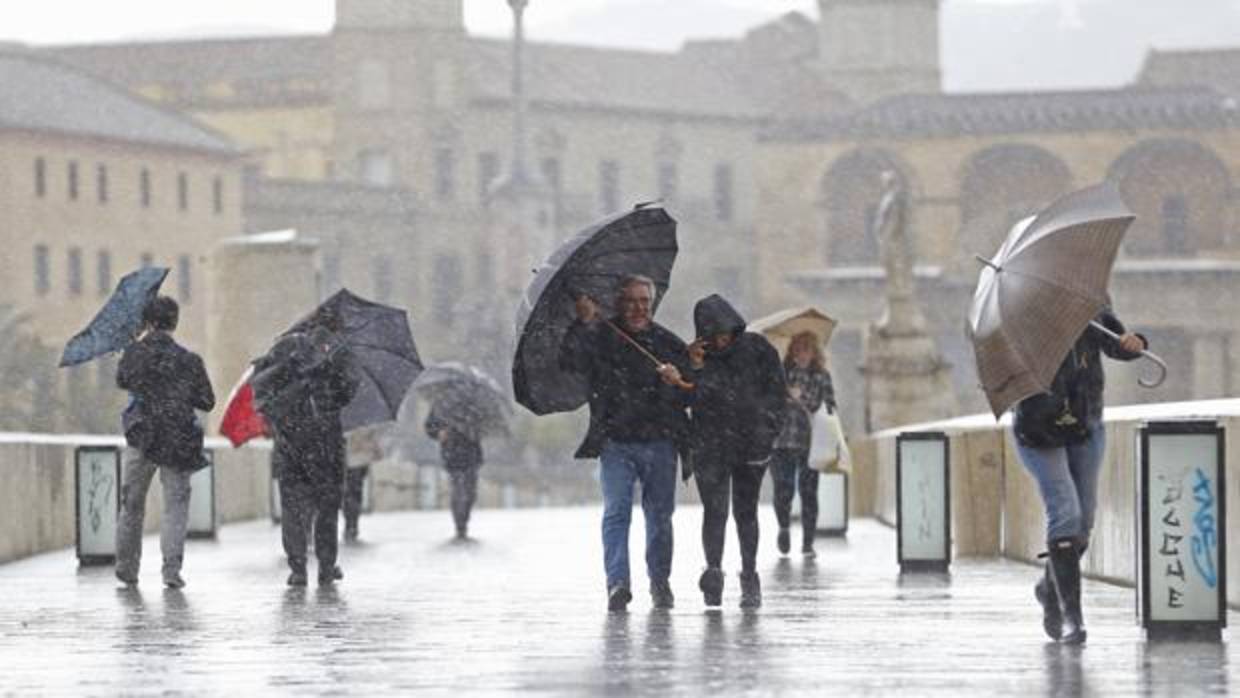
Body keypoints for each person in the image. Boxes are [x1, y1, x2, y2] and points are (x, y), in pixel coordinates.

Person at [1013, 309, 1147, 644]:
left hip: (1085, 425)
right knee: (1065, 512)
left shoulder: (1088, 305)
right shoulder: (1018, 315)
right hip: (1038, 429)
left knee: (1084, 520)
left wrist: (1135, 343)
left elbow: (1116, 344)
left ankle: (1049, 586)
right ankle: (1072, 615)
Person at [559, 275, 691, 612]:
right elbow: (570, 361)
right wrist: (584, 323)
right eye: (631, 301)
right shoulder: (600, 335)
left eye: (644, 301)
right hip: (616, 442)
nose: (638, 308)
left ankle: (660, 581)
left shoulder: (665, 341)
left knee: (660, 516)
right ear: (619, 303)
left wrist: (676, 380)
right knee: (617, 512)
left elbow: (693, 384)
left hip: (661, 441)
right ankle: (617, 583)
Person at [683, 294, 786, 609]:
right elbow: (689, 401)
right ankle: (713, 571)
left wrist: (767, 430)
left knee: (746, 512)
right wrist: (696, 369)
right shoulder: (696, 358)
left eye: (725, 333)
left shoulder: (757, 349)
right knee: (715, 513)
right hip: (710, 447)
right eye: (713, 335)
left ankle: (749, 575)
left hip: (751, 446)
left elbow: (776, 393)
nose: (721, 340)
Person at [115, 295, 215, 589]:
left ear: (147, 321)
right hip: (178, 438)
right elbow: (207, 401)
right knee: (175, 506)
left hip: (142, 436)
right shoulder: (189, 360)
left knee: (132, 504)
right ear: (175, 322)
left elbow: (123, 381)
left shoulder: (134, 353)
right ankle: (171, 569)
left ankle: (127, 567)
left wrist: (134, 347)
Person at [253, 317, 359, 587]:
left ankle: (297, 567)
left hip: (290, 441)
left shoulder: (284, 350)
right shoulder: (335, 353)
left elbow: (264, 392)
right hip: (326, 441)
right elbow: (347, 392)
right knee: (327, 505)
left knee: (292, 506)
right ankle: (326, 565)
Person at [769, 331, 836, 558]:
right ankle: (784, 527)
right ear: (792, 351)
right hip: (781, 441)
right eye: (798, 349)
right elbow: (768, 403)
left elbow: (830, 408)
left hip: (810, 442)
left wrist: (802, 398)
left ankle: (808, 543)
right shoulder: (781, 373)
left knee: (809, 493)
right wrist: (783, 397)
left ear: (814, 352)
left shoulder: (821, 376)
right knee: (783, 489)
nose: (802, 354)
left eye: (807, 349)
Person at [425, 406, 483, 540]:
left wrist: (473, 429)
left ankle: (464, 518)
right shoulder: (441, 404)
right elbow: (429, 427)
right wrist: (438, 432)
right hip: (452, 454)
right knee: (457, 489)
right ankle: (459, 524)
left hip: (471, 454)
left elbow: (484, 426)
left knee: (470, 492)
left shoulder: (475, 405)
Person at [343, 424, 384, 542]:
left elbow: (371, 436)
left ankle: (351, 524)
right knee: (352, 493)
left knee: (352, 493)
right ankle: (351, 524)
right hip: (348, 459)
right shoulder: (362, 415)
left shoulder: (361, 419)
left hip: (357, 460)